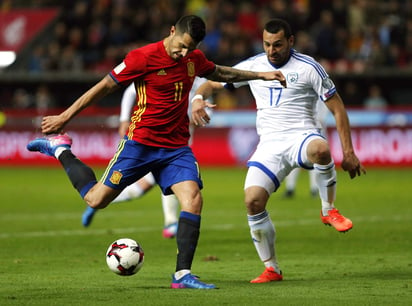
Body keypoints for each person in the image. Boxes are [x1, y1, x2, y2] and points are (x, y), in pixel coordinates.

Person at [26, 15, 286, 289]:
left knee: (193, 200)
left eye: (190, 48)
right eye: (181, 46)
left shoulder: (193, 59)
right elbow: (103, 87)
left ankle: (182, 274)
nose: (183, 53)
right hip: (140, 144)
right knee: (96, 199)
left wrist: (260, 74)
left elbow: (220, 72)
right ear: (172, 31)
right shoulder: (142, 57)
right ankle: (61, 149)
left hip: (175, 148)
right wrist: (65, 117)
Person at [191, 18, 366, 284]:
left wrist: (349, 152)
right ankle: (272, 268)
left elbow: (337, 107)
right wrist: (197, 99)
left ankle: (328, 209)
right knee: (252, 201)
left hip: (301, 135)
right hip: (269, 145)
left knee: (320, 150)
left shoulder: (309, 68)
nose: (272, 50)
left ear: (291, 42)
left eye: (278, 44)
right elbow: (212, 82)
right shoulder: (253, 66)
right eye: (267, 44)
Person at [82, 77, 212, 239]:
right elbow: (131, 91)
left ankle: (102, 199)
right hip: (157, 143)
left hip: (180, 142)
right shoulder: (166, 71)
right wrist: (124, 119)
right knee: (171, 180)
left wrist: (200, 116)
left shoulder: (201, 82)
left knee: (142, 188)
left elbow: (208, 108)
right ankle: (170, 223)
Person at [283, 100, 329, 198]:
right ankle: (290, 188)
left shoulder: (319, 89)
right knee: (293, 157)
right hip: (298, 128)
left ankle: (314, 188)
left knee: (314, 159)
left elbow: (324, 109)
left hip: (315, 128)